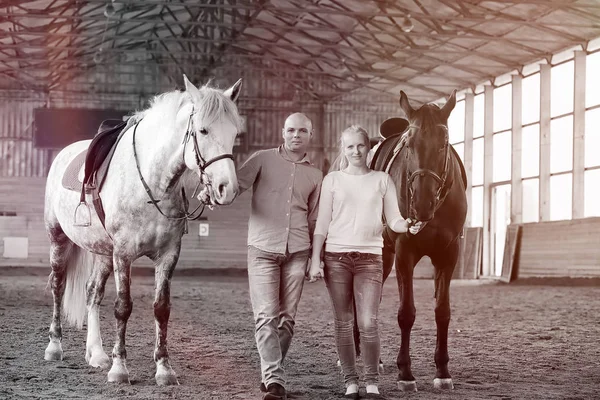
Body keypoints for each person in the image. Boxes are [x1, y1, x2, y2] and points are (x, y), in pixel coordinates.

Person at [308, 125, 421, 399]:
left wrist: (407, 226)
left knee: (368, 322)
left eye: (360, 145)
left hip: (371, 258)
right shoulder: (332, 180)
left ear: (368, 148)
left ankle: (371, 384)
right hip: (336, 258)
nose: (355, 151)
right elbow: (322, 223)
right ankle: (350, 383)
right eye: (349, 147)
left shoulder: (382, 180)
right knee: (344, 322)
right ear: (343, 150)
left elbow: (392, 219)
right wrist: (315, 259)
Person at [237, 113, 323, 400]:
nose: (295, 135)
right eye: (290, 130)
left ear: (311, 135)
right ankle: (274, 380)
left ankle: (270, 370)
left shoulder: (316, 175)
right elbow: (233, 186)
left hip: (298, 251)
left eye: (302, 130)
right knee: (266, 316)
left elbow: (313, 219)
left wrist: (315, 259)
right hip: (262, 250)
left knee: (287, 320)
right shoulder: (261, 159)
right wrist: (208, 192)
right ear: (282, 132)